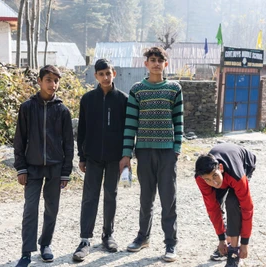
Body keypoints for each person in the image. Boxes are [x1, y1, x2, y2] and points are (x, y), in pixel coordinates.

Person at [119, 46, 184, 262]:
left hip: (167, 153)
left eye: (160, 60)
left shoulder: (174, 88)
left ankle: (170, 244)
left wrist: (176, 149)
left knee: (168, 199)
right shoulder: (137, 90)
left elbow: (179, 121)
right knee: (146, 198)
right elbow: (130, 124)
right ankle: (142, 237)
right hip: (144, 152)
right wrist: (126, 154)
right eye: (152, 60)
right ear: (145, 64)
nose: (156, 63)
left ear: (166, 64)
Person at [13, 65, 74, 267]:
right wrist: (21, 167)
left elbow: (68, 143)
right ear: (39, 81)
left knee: (52, 208)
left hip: (55, 167)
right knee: (31, 208)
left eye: (56, 81)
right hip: (32, 167)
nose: (52, 84)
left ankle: (45, 244)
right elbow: (19, 140)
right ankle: (26, 252)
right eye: (48, 80)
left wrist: (65, 172)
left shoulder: (62, 110)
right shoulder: (27, 107)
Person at [72, 59, 128, 261]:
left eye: (108, 73)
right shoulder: (88, 99)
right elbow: (83, 130)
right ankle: (85, 239)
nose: (105, 77)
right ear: (96, 76)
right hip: (93, 158)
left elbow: (128, 131)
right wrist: (82, 156)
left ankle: (108, 235)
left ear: (114, 73)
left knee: (110, 195)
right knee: (89, 197)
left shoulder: (123, 99)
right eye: (101, 74)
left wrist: (126, 156)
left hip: (115, 158)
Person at [194, 143, 256, 267]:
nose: (213, 182)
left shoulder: (237, 176)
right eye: (208, 179)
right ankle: (227, 241)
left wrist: (244, 243)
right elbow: (212, 209)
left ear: (220, 168)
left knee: (233, 202)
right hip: (224, 172)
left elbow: (247, 208)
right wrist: (221, 238)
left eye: (215, 176)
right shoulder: (201, 178)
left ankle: (233, 251)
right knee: (215, 204)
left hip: (244, 164)